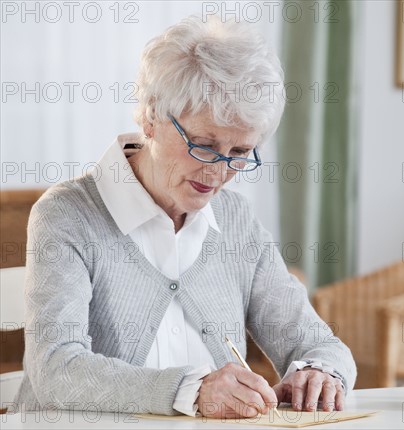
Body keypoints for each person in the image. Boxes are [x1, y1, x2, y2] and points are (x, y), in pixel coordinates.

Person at [15, 16, 356, 418]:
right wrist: (190, 391)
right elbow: (57, 368)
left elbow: (318, 343)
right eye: (204, 144)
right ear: (151, 117)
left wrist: (320, 372)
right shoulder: (68, 214)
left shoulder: (235, 220)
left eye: (240, 152)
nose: (218, 172)